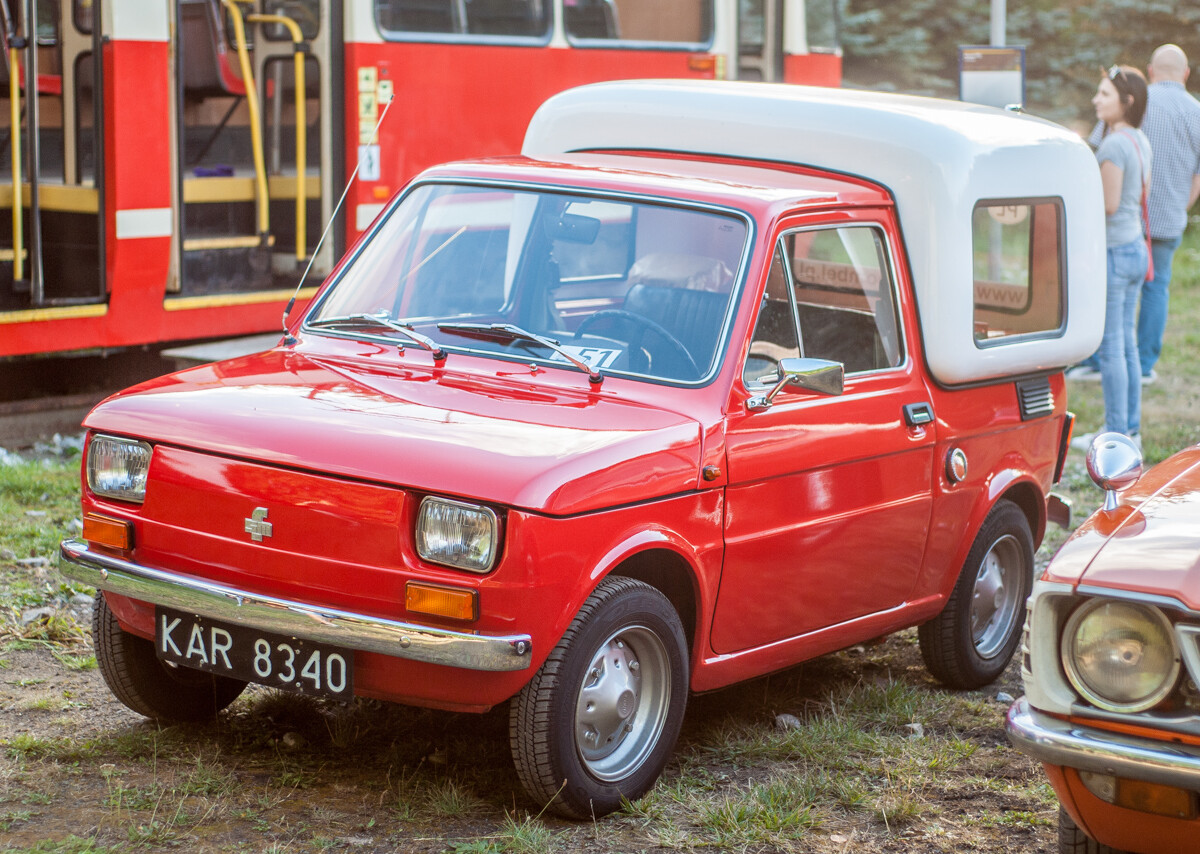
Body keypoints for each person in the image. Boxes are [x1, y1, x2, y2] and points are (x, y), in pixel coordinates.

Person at [1069, 44, 1200, 384]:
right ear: (1186, 74)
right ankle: (1142, 365)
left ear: (1150, 70)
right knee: (1157, 288)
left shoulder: (1130, 100)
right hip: (1168, 218)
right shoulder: (1196, 111)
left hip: (1122, 218)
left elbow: (1099, 148)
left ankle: (1100, 359)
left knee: (1110, 290)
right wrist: (1183, 203)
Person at [1072, 65, 1151, 450]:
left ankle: (1115, 432)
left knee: (1112, 346)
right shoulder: (1138, 139)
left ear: (1127, 102)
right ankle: (1129, 427)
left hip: (1116, 253)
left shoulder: (1114, 145)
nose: (1096, 100)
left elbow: (1107, 203)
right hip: (1135, 247)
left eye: (1104, 94)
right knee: (1129, 344)